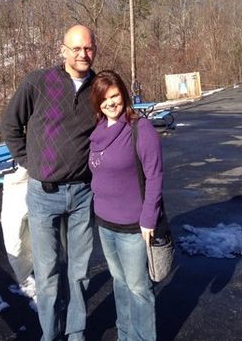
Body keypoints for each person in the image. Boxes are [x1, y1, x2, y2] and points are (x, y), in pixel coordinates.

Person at [1, 24, 97, 341]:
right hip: (44, 194)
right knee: (48, 272)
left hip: (83, 193)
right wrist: (30, 162)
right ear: (63, 50)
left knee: (79, 271)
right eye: (76, 48)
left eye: (88, 48)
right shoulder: (38, 82)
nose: (83, 54)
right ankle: (49, 333)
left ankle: (76, 332)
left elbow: (119, 123)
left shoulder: (99, 87)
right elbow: (10, 123)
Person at [89, 70, 163, 341]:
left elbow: (155, 175)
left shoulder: (139, 129)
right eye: (104, 98)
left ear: (124, 94)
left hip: (133, 226)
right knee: (120, 284)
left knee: (138, 289)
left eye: (115, 95)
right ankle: (125, 335)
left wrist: (148, 218)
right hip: (105, 224)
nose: (110, 103)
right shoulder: (98, 131)